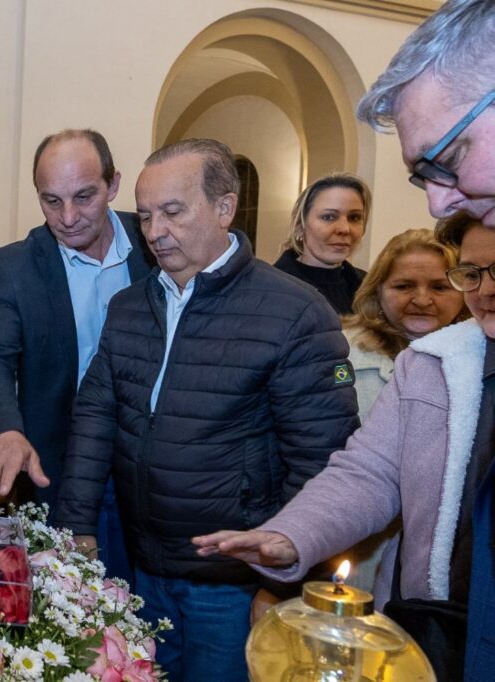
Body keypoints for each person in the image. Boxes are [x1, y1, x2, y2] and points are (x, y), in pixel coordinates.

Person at [53, 139, 359, 682]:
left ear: (224, 208)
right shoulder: (130, 307)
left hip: (232, 584)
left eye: (172, 212)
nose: (153, 231)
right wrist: (77, 526)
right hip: (142, 568)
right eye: (145, 216)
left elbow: (322, 460)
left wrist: (280, 577)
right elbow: (95, 418)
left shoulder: (292, 311)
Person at [193, 214, 492, 678]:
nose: (485, 290)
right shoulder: (432, 364)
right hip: (440, 622)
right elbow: (368, 472)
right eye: (473, 274)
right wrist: (291, 535)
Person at [356, 2, 495, 676]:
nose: (438, 203)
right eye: (423, 175)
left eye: (450, 158)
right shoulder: (443, 359)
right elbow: (369, 474)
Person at [0, 129, 154, 581]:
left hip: (146, 470)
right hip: (59, 469)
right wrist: (5, 431)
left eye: (84, 196)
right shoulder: (12, 268)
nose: (68, 217)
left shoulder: (154, 243)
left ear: (113, 185)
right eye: (51, 201)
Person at [345, 226, 467, 420]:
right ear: (377, 291)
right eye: (404, 286)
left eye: (439, 287)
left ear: (465, 294)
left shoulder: (480, 354)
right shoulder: (339, 352)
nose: (422, 300)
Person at [273, 173, 371, 315]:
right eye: (329, 217)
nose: (344, 229)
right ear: (300, 226)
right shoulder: (272, 287)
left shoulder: (369, 287)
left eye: (354, 217)